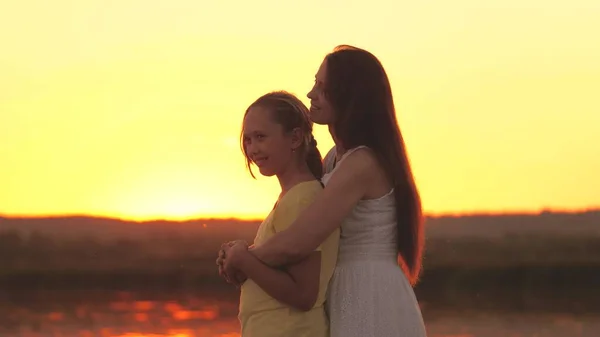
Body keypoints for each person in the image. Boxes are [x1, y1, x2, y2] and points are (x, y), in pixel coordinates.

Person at [222, 45, 427, 337]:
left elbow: (299, 241)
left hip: (368, 293)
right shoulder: (335, 158)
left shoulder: (362, 163)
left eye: (322, 87)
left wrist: (244, 259)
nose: (310, 94)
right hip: (343, 289)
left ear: (349, 95)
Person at [217, 91, 340, 337]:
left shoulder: (302, 199)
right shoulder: (292, 198)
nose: (252, 149)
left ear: (295, 138)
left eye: (261, 137)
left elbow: (304, 294)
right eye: (248, 140)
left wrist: (244, 260)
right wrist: (239, 258)